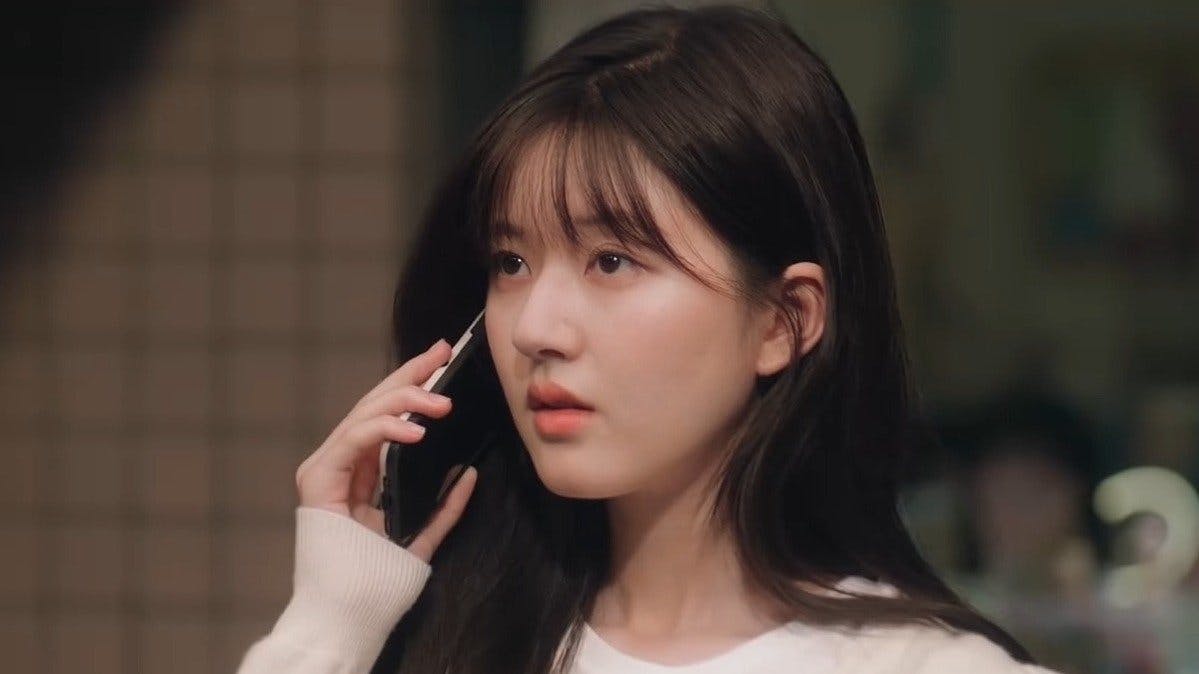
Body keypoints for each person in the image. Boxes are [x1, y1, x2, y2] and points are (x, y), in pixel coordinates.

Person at [237, 5, 1066, 673]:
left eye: (611, 261)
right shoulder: (448, 641)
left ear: (784, 321)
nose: (536, 329)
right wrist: (329, 621)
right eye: (511, 261)